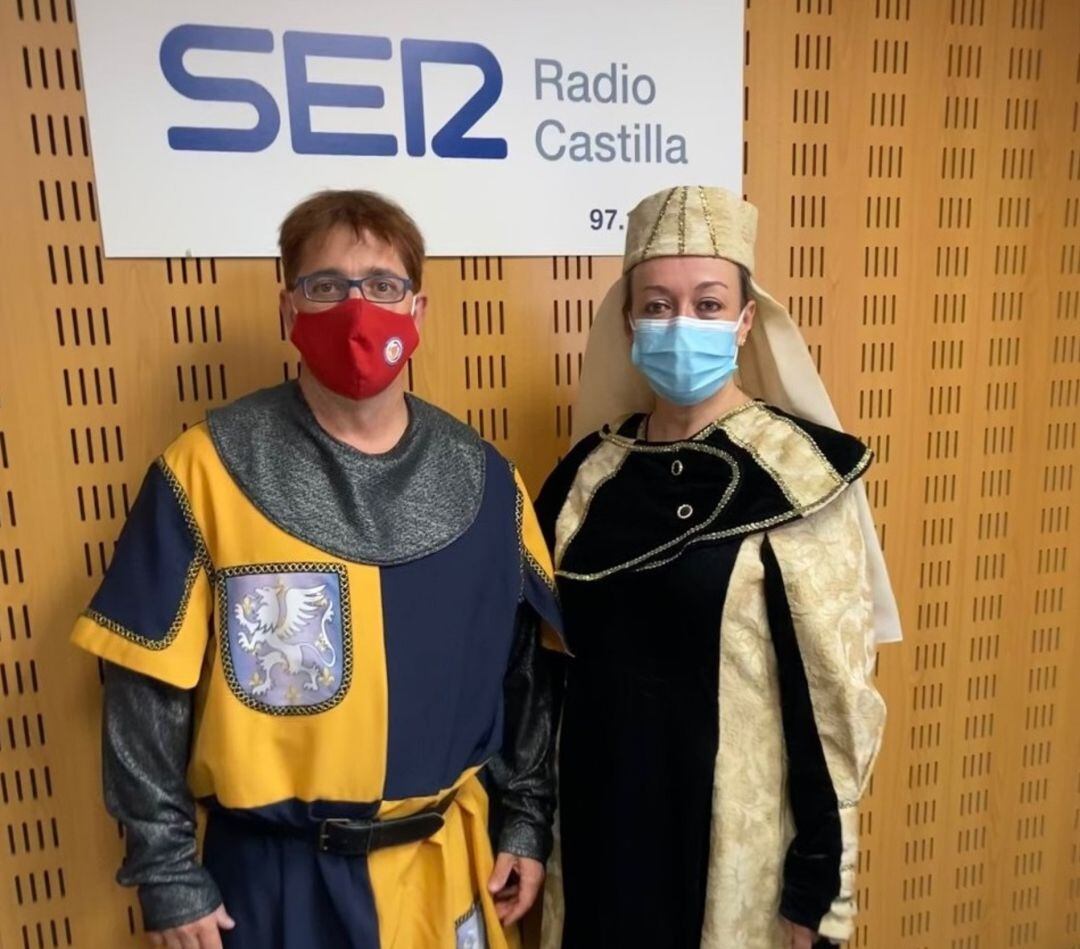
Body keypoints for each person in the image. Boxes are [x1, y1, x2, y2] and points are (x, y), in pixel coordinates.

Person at [71, 190, 563, 949]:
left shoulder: (488, 482)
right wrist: (166, 870)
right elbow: (143, 690)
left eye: (383, 285)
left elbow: (526, 674)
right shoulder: (206, 469)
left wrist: (526, 822)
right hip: (274, 882)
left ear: (418, 311)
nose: (356, 306)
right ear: (288, 310)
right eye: (326, 285)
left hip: (440, 875)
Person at [535, 186, 900, 949]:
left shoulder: (797, 477)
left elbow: (833, 707)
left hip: (733, 856)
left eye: (707, 304)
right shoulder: (588, 475)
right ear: (629, 320)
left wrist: (821, 891)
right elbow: (545, 671)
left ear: (743, 322)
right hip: (599, 833)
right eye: (658, 304)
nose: (681, 324)